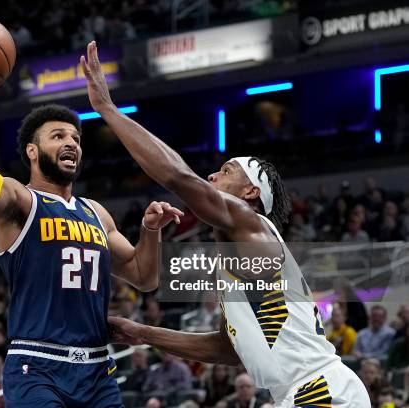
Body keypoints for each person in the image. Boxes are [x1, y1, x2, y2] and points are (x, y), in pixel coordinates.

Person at [80, 41, 371, 407]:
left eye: (226, 170)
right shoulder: (239, 258)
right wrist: (142, 332)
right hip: (305, 392)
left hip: (320, 390)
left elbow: (177, 176)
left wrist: (107, 109)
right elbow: (228, 349)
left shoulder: (252, 225)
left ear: (250, 192)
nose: (213, 175)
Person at [0, 24, 183, 408]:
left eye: (76, 138)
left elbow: (144, 277)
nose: (71, 143)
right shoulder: (20, 202)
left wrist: (150, 231)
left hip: (98, 369)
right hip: (38, 365)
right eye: (58, 137)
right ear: (32, 151)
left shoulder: (96, 213)